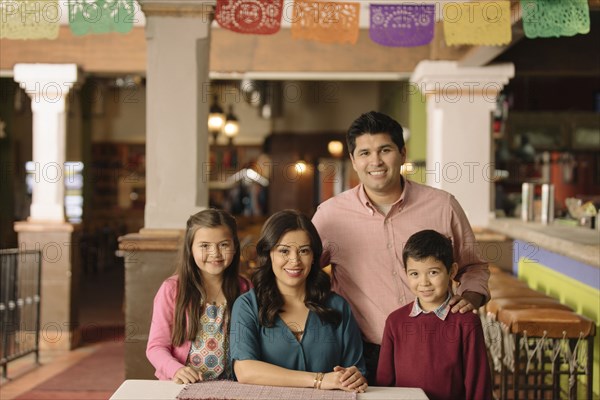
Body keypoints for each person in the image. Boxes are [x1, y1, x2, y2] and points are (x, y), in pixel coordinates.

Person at [312, 111, 490, 383]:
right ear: (353, 160)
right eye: (364, 153)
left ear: (402, 153)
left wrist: (470, 297)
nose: (375, 161)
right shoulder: (330, 215)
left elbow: (473, 266)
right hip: (361, 352)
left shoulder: (443, 206)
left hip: (436, 346)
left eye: (385, 150)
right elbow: (301, 270)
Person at [229, 210, 368, 392]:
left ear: (313, 257)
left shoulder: (337, 306)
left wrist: (355, 378)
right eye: (284, 251)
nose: (295, 260)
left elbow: (357, 370)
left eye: (303, 251)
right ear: (269, 253)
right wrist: (319, 380)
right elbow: (245, 371)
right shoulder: (247, 305)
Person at [376, 229, 492, 400]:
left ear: (452, 271)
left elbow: (478, 384)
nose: (424, 282)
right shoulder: (395, 321)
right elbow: (384, 383)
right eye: (415, 274)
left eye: (433, 272)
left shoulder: (467, 322)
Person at [146, 209, 251, 383]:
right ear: (190, 248)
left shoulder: (245, 288)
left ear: (235, 246)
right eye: (204, 246)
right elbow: (156, 347)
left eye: (224, 244)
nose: (215, 253)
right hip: (181, 384)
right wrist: (176, 369)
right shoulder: (172, 289)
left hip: (230, 385)